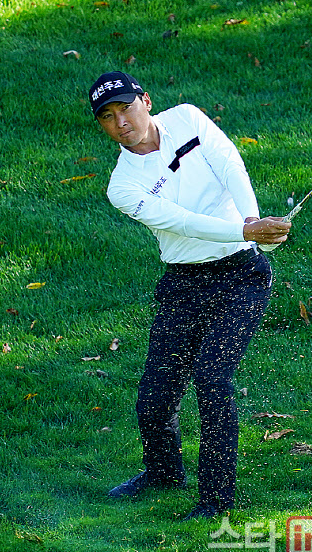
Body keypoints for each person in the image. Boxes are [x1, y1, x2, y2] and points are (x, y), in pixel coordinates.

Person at [88, 71, 290, 520]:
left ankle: (216, 500)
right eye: (107, 116)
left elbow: (229, 162)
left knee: (213, 379)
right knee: (156, 395)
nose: (121, 121)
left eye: (126, 107)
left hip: (241, 275)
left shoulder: (187, 119)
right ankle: (163, 472)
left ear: (145, 100)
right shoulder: (122, 187)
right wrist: (245, 229)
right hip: (183, 283)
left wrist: (254, 224)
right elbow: (179, 221)